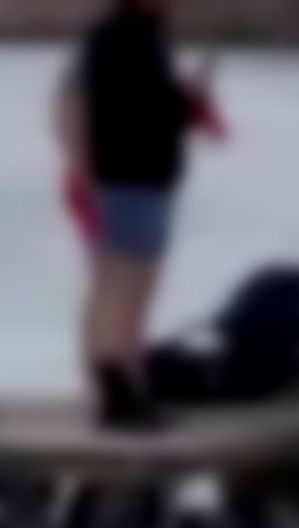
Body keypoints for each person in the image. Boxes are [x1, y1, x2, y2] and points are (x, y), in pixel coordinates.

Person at [55, 0, 219, 429]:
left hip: (123, 179)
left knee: (113, 282)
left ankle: (115, 382)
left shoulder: (112, 37)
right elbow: (145, 108)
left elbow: (83, 102)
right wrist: (189, 99)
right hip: (132, 179)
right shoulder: (131, 38)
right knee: (127, 284)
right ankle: (118, 390)